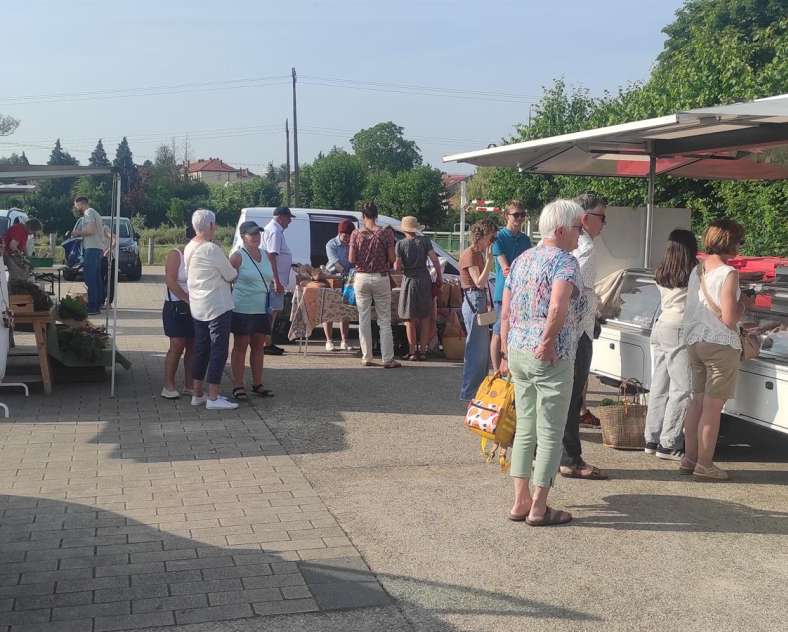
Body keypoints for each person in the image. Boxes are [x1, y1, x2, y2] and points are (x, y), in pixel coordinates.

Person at [500, 199, 585, 526]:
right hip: (550, 353)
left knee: (525, 428)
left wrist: (505, 350)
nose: (580, 235)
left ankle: (519, 501)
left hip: (518, 350)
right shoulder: (565, 262)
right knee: (550, 431)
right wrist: (547, 341)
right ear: (561, 231)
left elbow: (505, 310)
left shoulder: (522, 259)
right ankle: (539, 506)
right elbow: (558, 306)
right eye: (577, 228)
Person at [681, 219, 751, 480]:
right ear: (729, 242)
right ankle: (705, 464)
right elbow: (730, 318)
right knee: (712, 408)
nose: (740, 246)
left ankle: (689, 458)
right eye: (739, 241)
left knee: (696, 402)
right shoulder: (728, 273)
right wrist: (744, 304)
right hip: (720, 345)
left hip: (695, 341)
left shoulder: (697, 270)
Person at [559, 192, 608, 481]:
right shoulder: (586, 249)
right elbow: (576, 296)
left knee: (560, 397)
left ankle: (554, 454)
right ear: (586, 218)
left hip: (563, 331)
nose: (604, 223)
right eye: (602, 217)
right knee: (572, 396)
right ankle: (570, 458)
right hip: (577, 333)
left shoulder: (552, 247)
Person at [643, 229, 698, 460]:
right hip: (679, 328)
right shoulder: (694, 271)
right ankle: (669, 443)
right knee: (682, 388)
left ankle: (651, 438)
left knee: (659, 384)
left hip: (661, 324)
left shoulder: (662, 270)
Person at [185, 209, 239, 410]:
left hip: (197, 306)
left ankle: (198, 393)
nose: (215, 227)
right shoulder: (211, 249)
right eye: (214, 224)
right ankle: (214, 397)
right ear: (210, 226)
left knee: (201, 350)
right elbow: (231, 274)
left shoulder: (189, 247)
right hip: (217, 305)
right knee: (219, 350)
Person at [348, 201, 400, 368]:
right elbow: (392, 259)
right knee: (384, 320)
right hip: (380, 277)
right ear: (376, 215)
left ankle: (367, 357)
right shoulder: (386, 233)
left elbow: (351, 259)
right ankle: (387, 359)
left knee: (363, 318)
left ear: (363, 216)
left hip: (361, 278)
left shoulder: (355, 234)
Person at [229, 221, 275, 401]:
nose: (256, 236)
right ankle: (238, 385)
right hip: (242, 308)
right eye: (252, 234)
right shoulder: (237, 257)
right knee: (240, 347)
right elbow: (226, 280)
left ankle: (257, 383)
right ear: (243, 237)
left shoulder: (265, 254)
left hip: (261, 309)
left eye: (258, 233)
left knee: (258, 347)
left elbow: (270, 279)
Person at [458, 218, 498, 400]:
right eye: (491, 238)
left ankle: (477, 391)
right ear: (482, 236)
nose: (492, 242)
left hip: (477, 299)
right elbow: (479, 282)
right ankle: (470, 393)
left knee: (481, 352)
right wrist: (489, 261)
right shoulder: (471, 254)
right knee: (476, 350)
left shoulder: (477, 253)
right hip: (474, 299)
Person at [490, 201, 531, 372]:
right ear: (506, 216)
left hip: (521, 293)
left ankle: (512, 371)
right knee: (499, 332)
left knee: (517, 332)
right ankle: (496, 371)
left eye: (522, 215)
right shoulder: (498, 237)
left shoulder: (525, 240)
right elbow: (505, 268)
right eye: (516, 215)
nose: (520, 218)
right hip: (503, 292)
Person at [395, 216, 443, 360]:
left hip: (409, 281)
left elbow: (397, 267)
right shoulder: (425, 241)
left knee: (409, 317)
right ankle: (422, 351)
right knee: (425, 316)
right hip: (424, 280)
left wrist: (399, 265)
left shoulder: (400, 244)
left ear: (404, 229)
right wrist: (439, 276)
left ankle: (411, 352)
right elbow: (435, 260)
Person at [161, 225, 196, 400]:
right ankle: (168, 385)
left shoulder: (202, 255)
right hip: (176, 306)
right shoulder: (176, 254)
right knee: (177, 345)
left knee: (193, 345)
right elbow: (170, 279)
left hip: (197, 307)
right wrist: (186, 298)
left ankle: (190, 385)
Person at [262, 206, 294, 356]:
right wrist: (277, 281)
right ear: (281, 217)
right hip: (275, 279)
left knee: (272, 311)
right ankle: (266, 343)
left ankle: (267, 341)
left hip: (274, 278)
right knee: (272, 311)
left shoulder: (273, 229)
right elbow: (271, 256)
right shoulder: (275, 232)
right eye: (288, 218)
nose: (290, 221)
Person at [323, 220, 355, 352]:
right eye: (345, 236)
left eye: (349, 236)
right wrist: (345, 273)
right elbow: (335, 263)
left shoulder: (352, 244)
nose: (347, 239)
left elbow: (354, 261)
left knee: (345, 309)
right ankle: (329, 341)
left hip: (348, 280)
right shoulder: (331, 244)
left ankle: (344, 340)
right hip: (332, 278)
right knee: (329, 309)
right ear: (339, 233)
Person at [71, 197, 106, 315]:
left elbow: (91, 230)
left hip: (92, 249)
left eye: (76, 205)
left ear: (81, 203)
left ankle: (92, 307)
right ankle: (98, 304)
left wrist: (77, 233)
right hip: (98, 248)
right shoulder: (94, 213)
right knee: (96, 278)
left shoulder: (88, 212)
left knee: (90, 278)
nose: (76, 207)